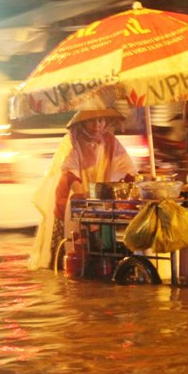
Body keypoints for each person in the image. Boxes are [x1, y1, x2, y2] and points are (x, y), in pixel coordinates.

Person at [28, 109, 137, 270]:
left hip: (99, 199)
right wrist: (82, 194)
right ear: (82, 123)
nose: (97, 125)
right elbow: (69, 172)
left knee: (102, 238)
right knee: (68, 243)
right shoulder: (71, 140)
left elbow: (125, 166)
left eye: (101, 120)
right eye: (92, 121)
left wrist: (136, 180)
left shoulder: (110, 140)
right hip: (72, 197)